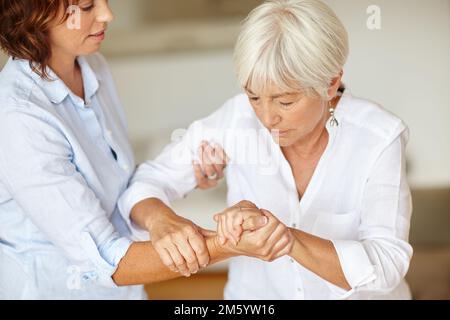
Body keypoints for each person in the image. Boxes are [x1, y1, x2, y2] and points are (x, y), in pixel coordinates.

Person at [120, 0, 414, 299]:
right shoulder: (236, 119)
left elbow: (387, 264)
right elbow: (146, 183)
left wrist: (288, 239)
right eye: (254, 97)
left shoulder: (379, 136)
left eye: (285, 101)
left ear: (330, 83)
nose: (266, 117)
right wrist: (161, 221)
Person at [0, 0, 281, 299]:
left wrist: (162, 213)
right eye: (86, 6)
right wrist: (229, 243)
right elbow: (109, 260)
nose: (108, 15)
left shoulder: (92, 67)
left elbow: (117, 189)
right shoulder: (19, 117)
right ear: (33, 16)